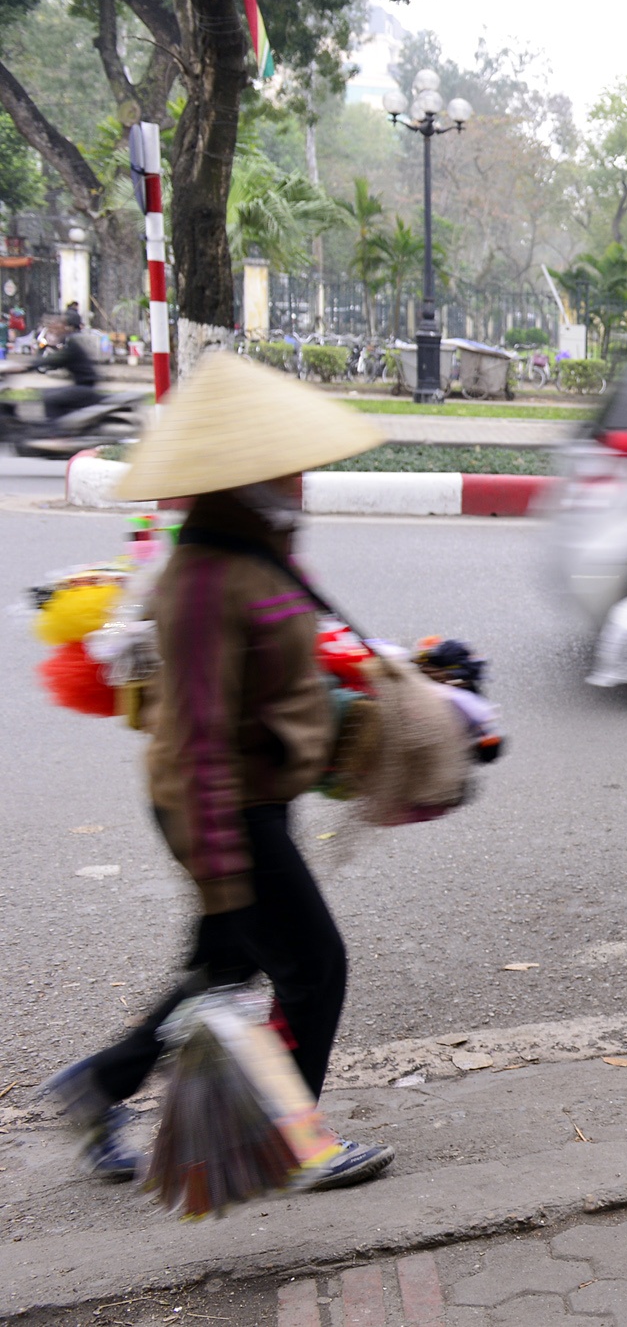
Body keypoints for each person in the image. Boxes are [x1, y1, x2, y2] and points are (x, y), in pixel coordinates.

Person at [39, 354, 394, 1191]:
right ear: (243, 473)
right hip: (221, 806)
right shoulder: (204, 580)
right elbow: (195, 734)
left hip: (252, 797)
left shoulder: (259, 550)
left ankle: (99, 1085)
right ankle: (288, 1138)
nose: (302, 474)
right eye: (285, 459)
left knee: (224, 971)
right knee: (315, 964)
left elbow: (304, 660)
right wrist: (225, 867)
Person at [20, 315, 103, 421]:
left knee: (50, 399)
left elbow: (56, 359)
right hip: (81, 386)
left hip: (85, 388)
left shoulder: (70, 343)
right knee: (46, 393)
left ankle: (57, 433)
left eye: (55, 328)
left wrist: (27, 366)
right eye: (51, 328)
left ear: (64, 327)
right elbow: (55, 363)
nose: (53, 331)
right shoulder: (65, 341)